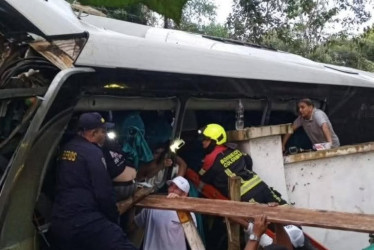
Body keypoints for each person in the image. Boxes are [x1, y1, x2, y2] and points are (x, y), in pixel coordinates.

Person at [50, 112, 136, 250]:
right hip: (85, 219)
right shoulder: (93, 152)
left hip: (61, 220)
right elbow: (103, 192)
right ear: (93, 133)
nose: (105, 135)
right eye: (103, 131)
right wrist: (113, 219)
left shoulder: (67, 147)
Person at [197, 123, 287, 205]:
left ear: (214, 140)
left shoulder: (210, 160)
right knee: (285, 210)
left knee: (262, 220)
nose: (203, 142)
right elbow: (248, 161)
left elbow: (204, 179)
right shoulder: (234, 150)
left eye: (206, 139)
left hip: (246, 197)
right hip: (260, 185)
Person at [134, 176, 196, 250]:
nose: (171, 189)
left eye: (176, 188)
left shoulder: (188, 213)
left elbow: (191, 238)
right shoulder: (152, 205)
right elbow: (136, 223)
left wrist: (178, 205)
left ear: (184, 194)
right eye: (171, 186)